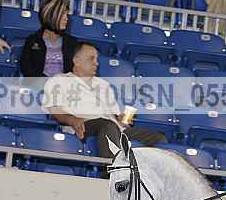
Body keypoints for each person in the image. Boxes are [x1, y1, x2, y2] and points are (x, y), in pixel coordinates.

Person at [42, 43, 168, 174]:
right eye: (91, 59)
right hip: (83, 125)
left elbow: (115, 117)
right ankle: (111, 174)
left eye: (97, 59)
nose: (96, 63)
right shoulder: (59, 81)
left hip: (113, 128)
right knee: (107, 125)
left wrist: (121, 119)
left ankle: (156, 176)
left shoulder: (103, 85)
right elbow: (53, 109)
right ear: (76, 60)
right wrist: (72, 120)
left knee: (158, 137)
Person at [19, 0, 77, 78]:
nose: (66, 18)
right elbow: (26, 69)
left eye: (67, 15)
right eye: (62, 15)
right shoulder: (32, 40)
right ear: (51, 16)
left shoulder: (71, 42)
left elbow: (77, 70)